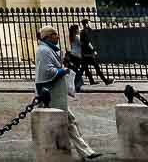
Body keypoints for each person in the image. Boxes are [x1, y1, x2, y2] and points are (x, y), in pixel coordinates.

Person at [36, 26, 100, 160]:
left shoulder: (49, 50)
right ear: (47, 37)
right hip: (50, 94)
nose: (58, 37)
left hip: (56, 93)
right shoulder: (43, 50)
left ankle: (86, 152)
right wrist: (62, 71)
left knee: (70, 121)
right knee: (67, 121)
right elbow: (46, 72)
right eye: (54, 34)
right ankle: (84, 152)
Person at [77, 20, 109, 88]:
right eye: (89, 23)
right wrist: (93, 50)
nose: (90, 24)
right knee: (95, 66)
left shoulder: (85, 31)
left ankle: (90, 81)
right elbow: (87, 42)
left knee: (84, 68)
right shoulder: (84, 32)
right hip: (87, 53)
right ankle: (105, 81)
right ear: (86, 24)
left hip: (85, 53)